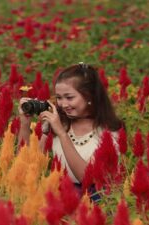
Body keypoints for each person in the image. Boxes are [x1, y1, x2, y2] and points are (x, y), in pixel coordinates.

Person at [17, 62, 123, 200]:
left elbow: (87, 178)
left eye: (69, 97)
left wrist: (61, 133)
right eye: (59, 98)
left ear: (89, 96)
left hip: (95, 203)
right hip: (60, 198)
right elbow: (28, 164)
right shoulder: (59, 124)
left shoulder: (108, 133)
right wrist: (25, 124)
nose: (63, 104)